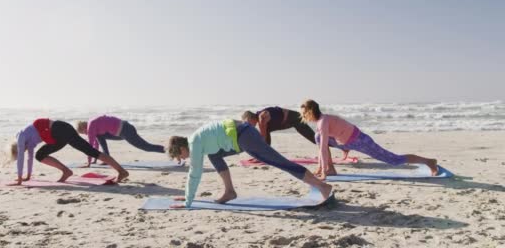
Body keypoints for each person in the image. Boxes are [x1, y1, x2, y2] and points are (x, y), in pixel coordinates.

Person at [165, 119, 333, 208]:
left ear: (181, 148)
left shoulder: (195, 144)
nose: (183, 159)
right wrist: (188, 195)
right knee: (214, 156)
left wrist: (188, 201)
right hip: (240, 137)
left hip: (244, 135)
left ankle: (322, 187)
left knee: (280, 162)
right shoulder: (197, 141)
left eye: (180, 156)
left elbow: (195, 173)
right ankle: (230, 191)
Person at [300, 99, 438, 179]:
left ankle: (429, 161)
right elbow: (321, 146)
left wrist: (322, 172)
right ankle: (330, 169)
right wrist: (320, 168)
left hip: (359, 140)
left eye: (304, 114)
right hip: (345, 142)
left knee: (393, 160)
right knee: (317, 137)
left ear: (310, 111)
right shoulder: (321, 122)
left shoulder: (323, 122)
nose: (304, 117)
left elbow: (324, 148)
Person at [8, 118, 129, 185]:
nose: (22, 152)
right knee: (40, 155)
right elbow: (29, 157)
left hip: (59, 130)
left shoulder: (21, 137)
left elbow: (22, 159)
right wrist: (27, 176)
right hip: (61, 130)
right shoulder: (29, 143)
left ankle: (66, 171)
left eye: (19, 152)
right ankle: (121, 171)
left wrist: (19, 179)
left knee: (91, 151)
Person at [242, 106, 349, 159]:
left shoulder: (262, 117)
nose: (248, 125)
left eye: (247, 122)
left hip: (296, 119)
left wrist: (259, 153)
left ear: (251, 118)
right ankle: (265, 155)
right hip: (291, 121)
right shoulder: (261, 122)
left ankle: (343, 146)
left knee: (314, 139)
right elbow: (264, 137)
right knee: (266, 133)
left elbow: (266, 116)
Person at [76, 115, 164, 166]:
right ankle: (107, 159)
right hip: (123, 130)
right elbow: (96, 143)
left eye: (83, 133)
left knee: (146, 147)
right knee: (100, 137)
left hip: (125, 130)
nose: (86, 134)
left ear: (83, 128)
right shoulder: (92, 124)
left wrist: (88, 163)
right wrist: (94, 159)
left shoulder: (91, 127)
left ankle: (171, 150)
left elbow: (90, 146)